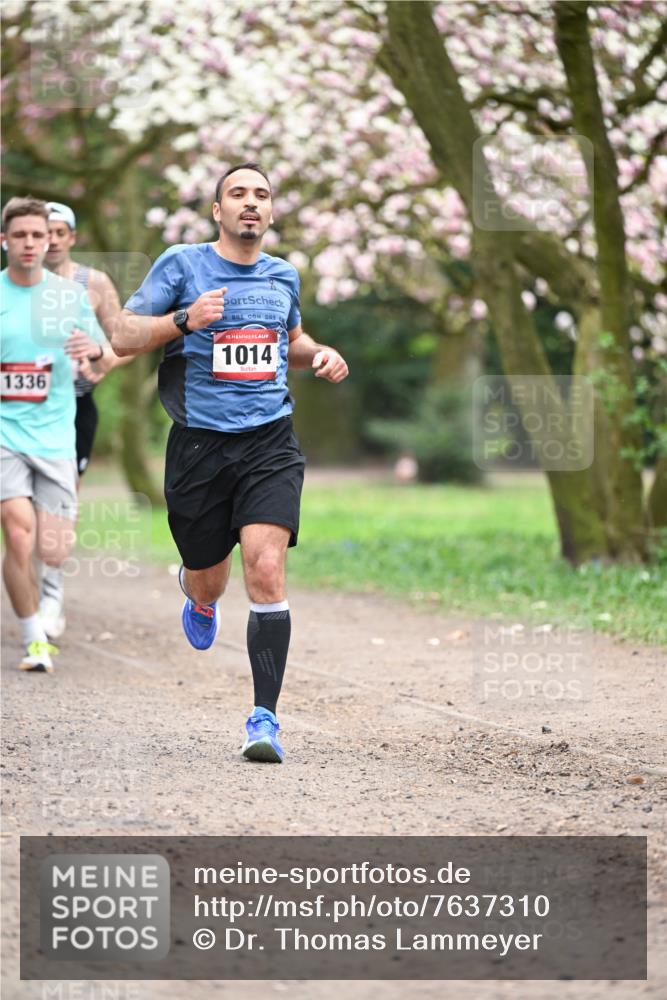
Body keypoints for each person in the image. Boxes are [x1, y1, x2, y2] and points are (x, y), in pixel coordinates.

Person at [113, 163, 348, 763]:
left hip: (270, 441)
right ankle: (198, 595)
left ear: (271, 213)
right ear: (217, 211)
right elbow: (123, 335)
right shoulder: (182, 264)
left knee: (266, 568)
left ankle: (264, 718)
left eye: (261, 195)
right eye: (237, 194)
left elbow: (289, 341)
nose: (250, 204)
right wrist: (185, 320)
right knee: (209, 572)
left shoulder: (283, 276)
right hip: (199, 445)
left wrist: (319, 354)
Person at [1, 196, 107, 673]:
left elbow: (101, 359)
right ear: (4, 240)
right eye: (20, 235)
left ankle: (50, 596)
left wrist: (94, 353)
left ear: (51, 241)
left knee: (52, 548)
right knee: (18, 539)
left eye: (37, 236)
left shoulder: (70, 298)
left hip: (56, 438)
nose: (29, 244)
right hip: (6, 435)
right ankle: (33, 639)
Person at [39, 201, 130, 639]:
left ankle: (50, 594)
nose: (52, 239)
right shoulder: (13, 286)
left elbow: (123, 340)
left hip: (74, 409)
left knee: (61, 503)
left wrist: (102, 361)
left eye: (60, 232)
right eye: (45, 231)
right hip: (19, 409)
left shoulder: (93, 283)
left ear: (72, 237)